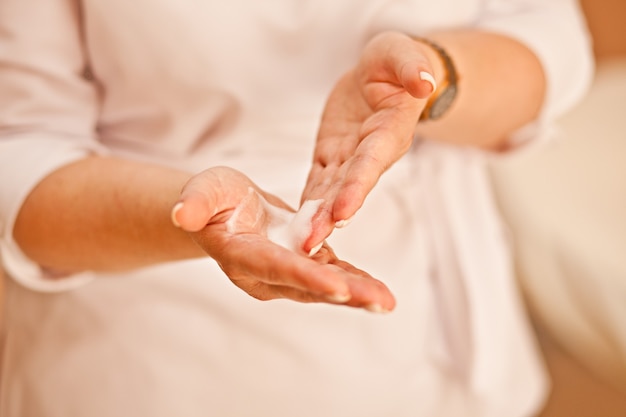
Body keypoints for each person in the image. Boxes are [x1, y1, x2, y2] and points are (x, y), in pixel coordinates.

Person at [0, 1, 593, 416]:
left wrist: (430, 81)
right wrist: (189, 215)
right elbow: (20, 155)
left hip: (433, 360)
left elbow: (549, 43)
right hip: (155, 363)